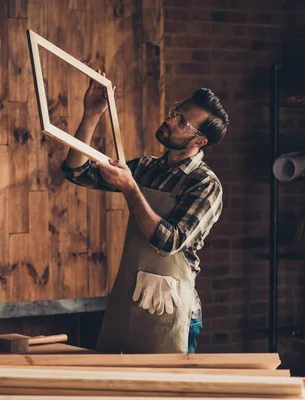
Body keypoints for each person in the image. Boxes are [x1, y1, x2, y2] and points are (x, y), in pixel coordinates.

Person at [61, 70, 228, 354]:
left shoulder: (205, 185)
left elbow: (168, 241)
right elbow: (77, 171)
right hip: (130, 296)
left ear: (199, 142)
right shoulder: (148, 168)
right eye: (176, 111)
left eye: (182, 122)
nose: (170, 120)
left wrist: (130, 188)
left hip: (173, 304)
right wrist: (91, 115)